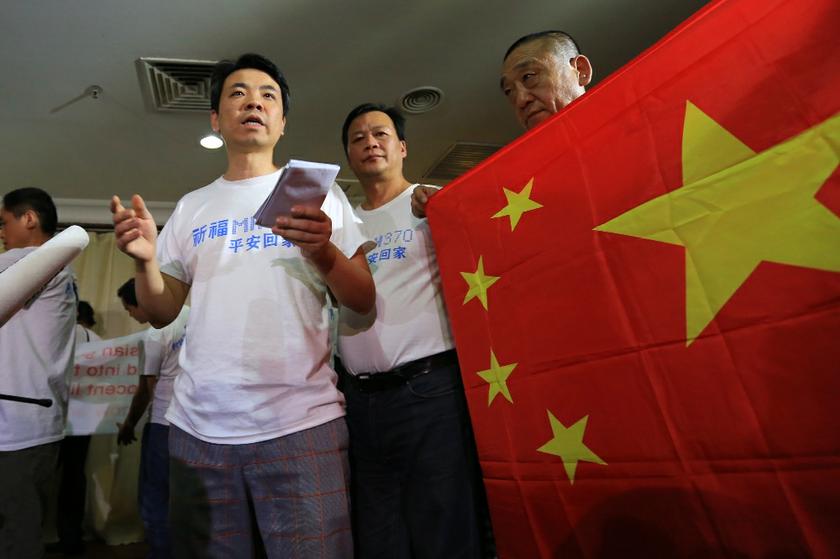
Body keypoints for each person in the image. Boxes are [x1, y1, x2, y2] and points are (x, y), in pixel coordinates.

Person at [110, 53, 374, 558]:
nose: (253, 100)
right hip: (197, 430)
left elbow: (362, 299)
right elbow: (163, 311)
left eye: (267, 95)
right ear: (216, 120)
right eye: (237, 93)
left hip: (302, 423)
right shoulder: (192, 206)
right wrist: (145, 261)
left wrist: (320, 249)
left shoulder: (322, 197)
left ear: (282, 122)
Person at [337, 103, 491, 558]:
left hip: (430, 391)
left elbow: (488, 259)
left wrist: (450, 215)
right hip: (359, 400)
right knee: (379, 535)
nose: (370, 143)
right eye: (358, 138)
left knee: (444, 527)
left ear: (402, 146)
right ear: (348, 155)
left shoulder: (434, 202)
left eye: (380, 133)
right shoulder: (341, 220)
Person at [412, 30, 593, 218]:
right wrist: (440, 203)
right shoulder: (519, 184)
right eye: (509, 91)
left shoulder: (625, 131)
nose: (521, 99)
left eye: (529, 77)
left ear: (580, 70)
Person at [0, 187, 77, 558]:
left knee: (17, 531)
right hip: (34, 421)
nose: (2, 233)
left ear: (29, 219)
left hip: (19, 426)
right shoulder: (58, 269)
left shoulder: (36, 262)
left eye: (4, 223)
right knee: (21, 527)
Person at [116, 278, 188, 559]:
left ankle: (160, 552)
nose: (131, 315)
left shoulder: (156, 334)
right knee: (189, 497)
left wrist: (129, 425)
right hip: (199, 425)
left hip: (164, 424)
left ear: (142, 302)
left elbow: (148, 389)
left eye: (129, 309)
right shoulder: (195, 316)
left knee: (156, 495)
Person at [50, 301, 103, 555]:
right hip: (86, 416)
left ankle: (45, 532)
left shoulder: (60, 334)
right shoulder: (98, 340)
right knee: (75, 475)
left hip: (56, 412)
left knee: (48, 475)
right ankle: (73, 537)